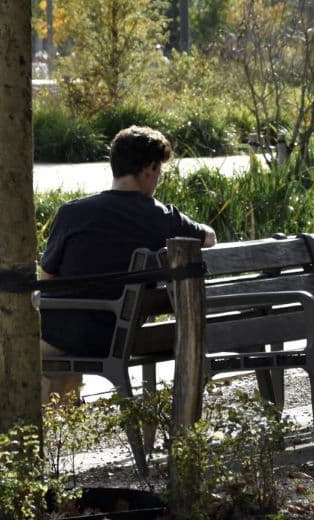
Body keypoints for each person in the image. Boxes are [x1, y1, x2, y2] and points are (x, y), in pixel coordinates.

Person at [39, 125, 216, 401]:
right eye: (159, 172)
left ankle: (44, 417)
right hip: (128, 334)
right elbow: (209, 237)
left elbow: (46, 280)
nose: (158, 179)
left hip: (69, 335)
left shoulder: (72, 213)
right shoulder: (162, 217)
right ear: (149, 169)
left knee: (26, 338)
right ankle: (63, 411)